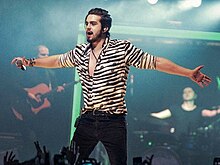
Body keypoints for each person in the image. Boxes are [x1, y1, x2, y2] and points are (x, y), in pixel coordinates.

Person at [11, 8, 211, 165]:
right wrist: (29, 61)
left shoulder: (122, 48)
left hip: (113, 121)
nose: (88, 27)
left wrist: (188, 73)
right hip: (87, 120)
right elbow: (56, 61)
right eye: (86, 23)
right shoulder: (80, 52)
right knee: (68, 161)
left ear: (105, 28)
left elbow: (156, 62)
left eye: (93, 23)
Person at [10, 45, 67, 161]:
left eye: (47, 54)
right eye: (43, 54)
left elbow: (50, 94)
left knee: (44, 142)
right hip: (26, 110)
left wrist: (58, 90)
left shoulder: (51, 73)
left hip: (43, 115)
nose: (46, 57)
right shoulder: (25, 69)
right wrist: (28, 94)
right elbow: (12, 85)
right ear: (35, 56)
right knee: (30, 142)